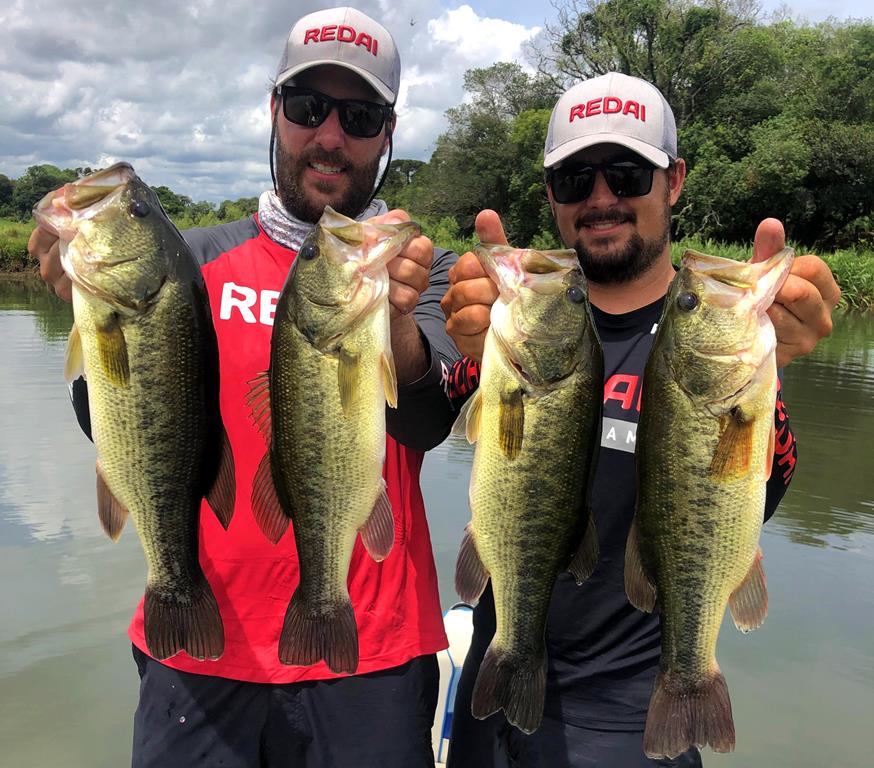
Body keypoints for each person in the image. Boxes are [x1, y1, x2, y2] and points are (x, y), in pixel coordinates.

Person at [29, 7, 465, 767]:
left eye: (360, 117)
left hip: (371, 656)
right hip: (197, 650)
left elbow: (426, 423)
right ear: (274, 111)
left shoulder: (423, 273)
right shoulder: (184, 262)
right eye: (308, 107)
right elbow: (113, 425)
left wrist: (395, 326)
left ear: (388, 135)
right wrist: (95, 319)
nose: (330, 136)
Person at [440, 72, 841, 768]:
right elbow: (423, 418)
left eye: (627, 175)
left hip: (632, 716)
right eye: (575, 180)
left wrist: (770, 373)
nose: (601, 199)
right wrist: (448, 344)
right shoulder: (512, 330)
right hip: (496, 681)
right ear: (551, 196)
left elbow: (758, 493)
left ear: (674, 181)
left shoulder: (713, 343)